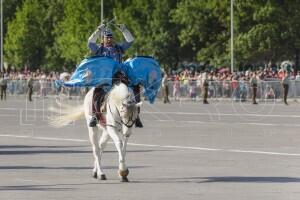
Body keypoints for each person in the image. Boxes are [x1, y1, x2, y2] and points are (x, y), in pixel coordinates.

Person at [87, 23, 144, 127]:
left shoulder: (119, 48)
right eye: (107, 37)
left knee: (135, 87)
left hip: (119, 75)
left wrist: (124, 30)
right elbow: (90, 42)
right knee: (97, 91)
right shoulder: (99, 49)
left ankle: (137, 115)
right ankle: (95, 115)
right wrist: (98, 30)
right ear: (103, 39)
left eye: (110, 37)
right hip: (105, 76)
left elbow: (130, 41)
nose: (109, 39)